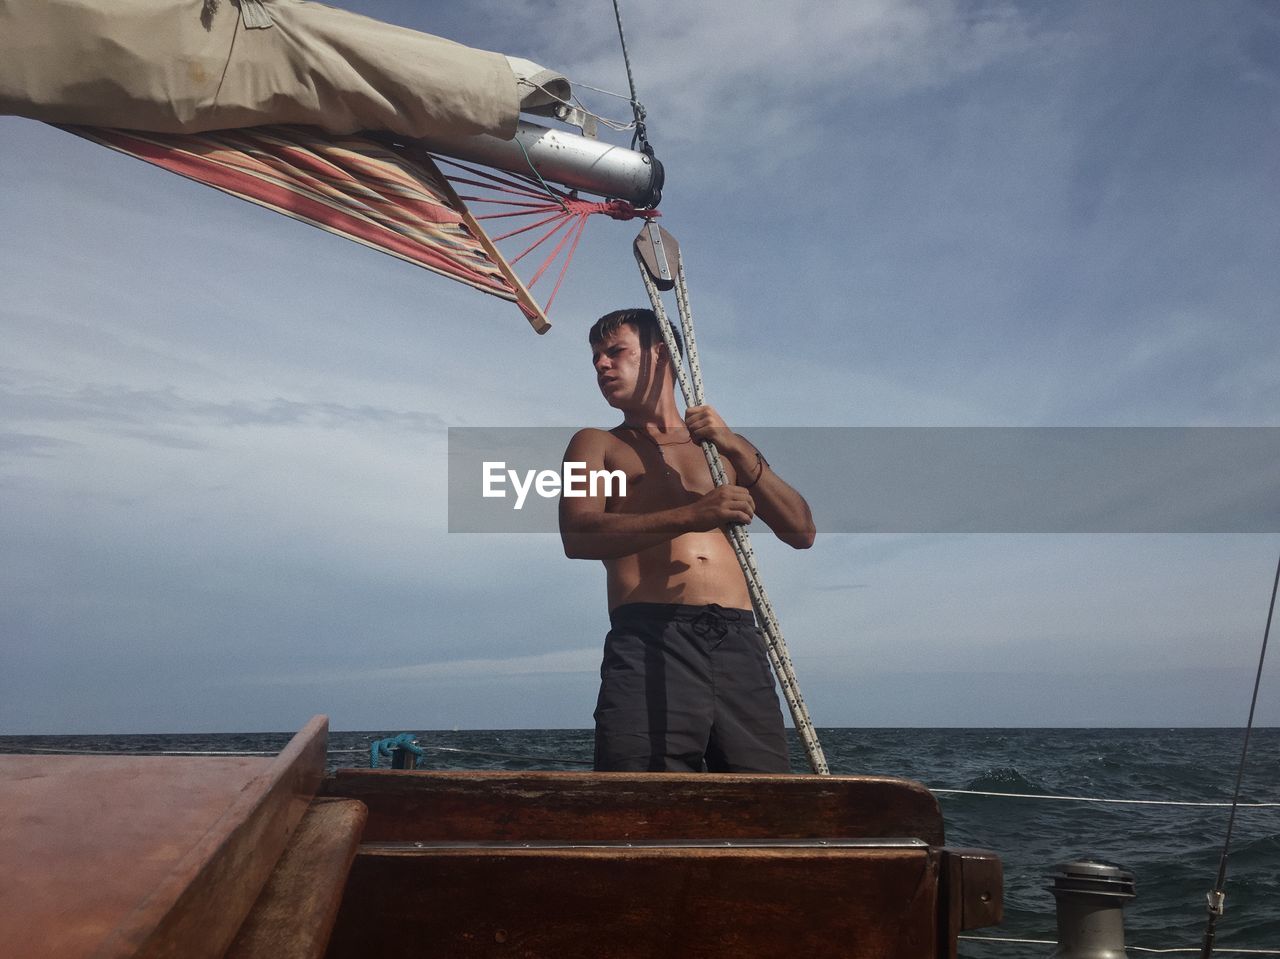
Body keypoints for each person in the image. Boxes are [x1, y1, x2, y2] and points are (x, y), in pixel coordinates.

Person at [559, 308, 816, 773]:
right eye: (595, 357)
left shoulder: (726, 448)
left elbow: (801, 531)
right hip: (649, 636)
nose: (600, 365)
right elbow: (577, 535)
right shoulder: (593, 444)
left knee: (762, 799)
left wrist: (735, 445)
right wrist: (694, 514)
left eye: (615, 351)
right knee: (639, 802)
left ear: (662, 356)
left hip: (738, 640)